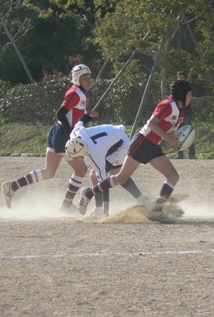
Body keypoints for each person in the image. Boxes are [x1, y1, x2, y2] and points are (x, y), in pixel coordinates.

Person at [78, 80, 193, 224]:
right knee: (121, 178)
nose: (191, 97)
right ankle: (88, 193)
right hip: (142, 142)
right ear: (182, 95)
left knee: (173, 176)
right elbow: (151, 123)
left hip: (153, 146)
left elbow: (169, 130)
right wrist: (168, 137)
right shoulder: (167, 105)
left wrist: (176, 139)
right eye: (189, 94)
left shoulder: (180, 112)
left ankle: (156, 210)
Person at [1, 64, 98, 214]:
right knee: (81, 169)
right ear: (77, 79)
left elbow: (71, 117)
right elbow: (60, 113)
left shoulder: (80, 93)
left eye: (89, 77)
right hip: (63, 135)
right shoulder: (76, 93)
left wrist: (87, 117)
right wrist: (70, 133)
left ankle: (12, 186)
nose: (88, 80)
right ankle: (66, 205)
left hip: (57, 132)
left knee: (49, 172)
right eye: (84, 78)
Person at [67, 116, 150, 218]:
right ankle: (141, 199)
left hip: (122, 144)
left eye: (76, 157)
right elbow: (80, 121)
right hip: (114, 135)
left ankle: (99, 209)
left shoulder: (96, 154)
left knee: (97, 175)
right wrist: (89, 115)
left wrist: (106, 212)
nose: (74, 160)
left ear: (84, 152)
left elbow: (104, 183)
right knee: (115, 173)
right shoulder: (74, 134)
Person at [175, 72, 196, 159]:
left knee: (188, 133)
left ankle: (191, 153)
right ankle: (180, 153)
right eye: (179, 77)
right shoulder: (175, 88)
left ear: (185, 78)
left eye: (182, 77)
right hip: (178, 114)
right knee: (178, 133)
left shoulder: (188, 88)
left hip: (186, 114)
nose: (180, 79)